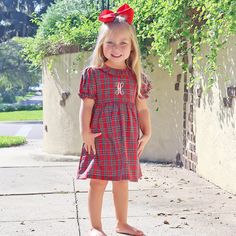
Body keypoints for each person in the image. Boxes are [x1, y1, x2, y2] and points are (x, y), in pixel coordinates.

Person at [77, 3, 152, 236]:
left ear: (132, 48)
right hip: (100, 136)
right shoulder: (93, 74)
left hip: (126, 137)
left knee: (122, 180)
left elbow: (141, 109)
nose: (116, 48)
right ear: (102, 45)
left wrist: (147, 133)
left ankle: (121, 223)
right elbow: (86, 105)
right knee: (97, 181)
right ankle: (95, 227)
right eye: (110, 42)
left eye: (123, 43)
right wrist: (85, 132)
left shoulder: (136, 77)